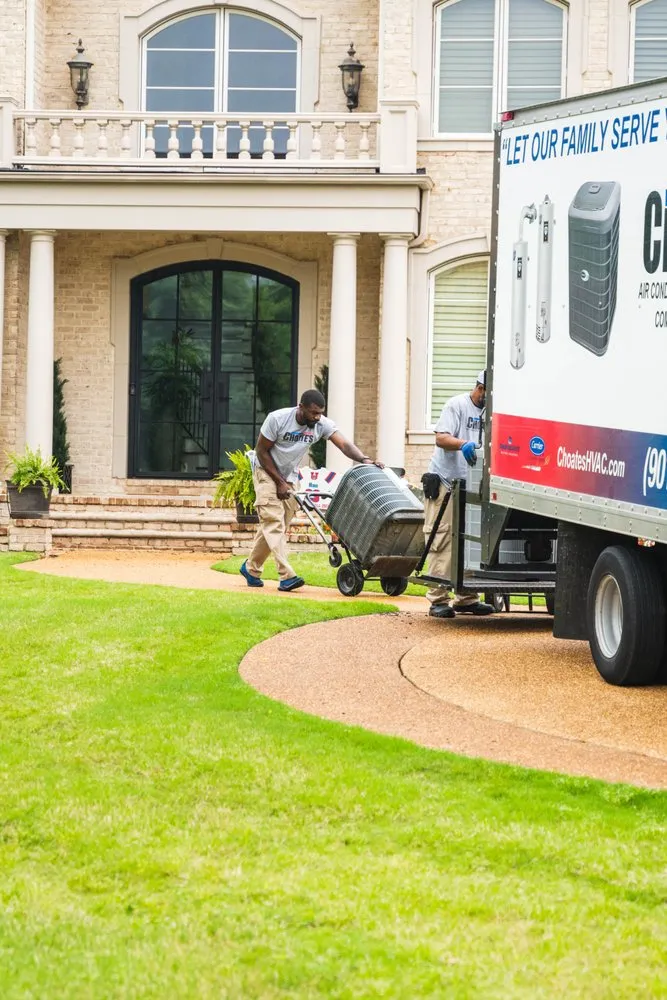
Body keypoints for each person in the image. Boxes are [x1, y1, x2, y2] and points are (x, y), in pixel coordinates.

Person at [240, 389, 381, 592]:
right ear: (301, 408)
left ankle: (250, 569)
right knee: (273, 523)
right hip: (266, 472)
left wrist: (365, 459)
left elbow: (344, 444)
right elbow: (261, 451)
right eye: (313, 413)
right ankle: (287, 576)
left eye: (320, 413)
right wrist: (278, 482)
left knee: (276, 526)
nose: (317, 417)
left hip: (289, 477)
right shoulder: (278, 419)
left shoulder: (321, 424)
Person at [422, 371, 494, 619]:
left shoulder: (490, 412)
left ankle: (466, 598)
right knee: (441, 537)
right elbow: (441, 438)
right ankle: (438, 599)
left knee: (471, 541)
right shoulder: (457, 405)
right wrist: (463, 443)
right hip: (444, 481)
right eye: (490, 391)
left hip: (471, 484)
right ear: (481, 388)